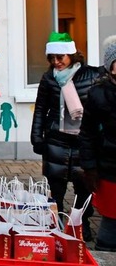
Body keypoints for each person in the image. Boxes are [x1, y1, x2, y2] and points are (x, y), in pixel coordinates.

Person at [30, 32, 100, 241]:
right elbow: (41, 109)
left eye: (60, 57)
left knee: (83, 186)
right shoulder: (48, 78)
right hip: (56, 140)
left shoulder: (92, 76)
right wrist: (37, 136)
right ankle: (57, 220)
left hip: (83, 141)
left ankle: (81, 224)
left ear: (71, 55)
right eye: (52, 58)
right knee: (56, 187)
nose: (56, 62)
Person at [79, 35, 116, 251]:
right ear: (110, 65)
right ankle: (106, 254)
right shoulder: (98, 94)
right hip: (110, 168)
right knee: (111, 222)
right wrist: (90, 167)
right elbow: (87, 134)